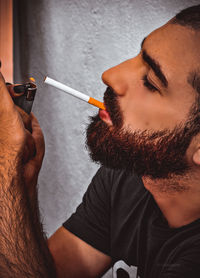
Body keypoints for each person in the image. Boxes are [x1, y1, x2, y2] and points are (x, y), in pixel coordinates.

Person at [0, 3, 200, 278]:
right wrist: (22, 178)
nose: (111, 75)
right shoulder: (133, 176)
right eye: (139, 55)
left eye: (152, 82)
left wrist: (5, 176)